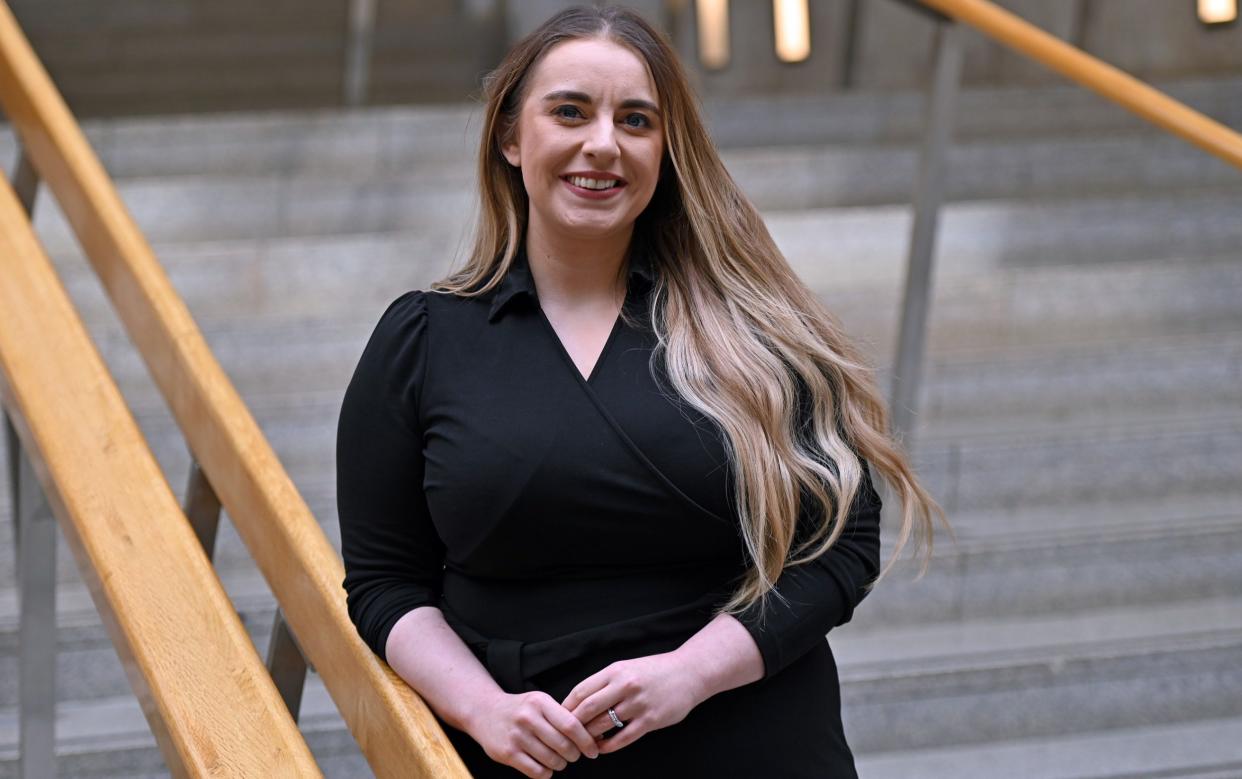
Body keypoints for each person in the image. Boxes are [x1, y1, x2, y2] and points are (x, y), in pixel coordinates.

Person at [336, 5, 948, 777]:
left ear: (665, 150)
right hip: (526, 759)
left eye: (636, 120)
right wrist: (485, 709)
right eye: (569, 111)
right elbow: (386, 583)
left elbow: (841, 546)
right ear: (510, 137)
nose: (603, 143)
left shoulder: (753, 331)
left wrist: (689, 674)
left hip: (750, 743)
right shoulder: (422, 340)